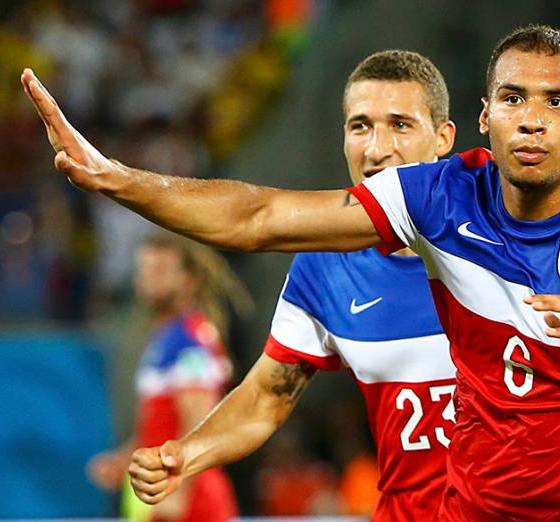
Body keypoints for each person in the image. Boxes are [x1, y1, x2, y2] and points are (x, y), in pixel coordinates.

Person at [22, 24, 560, 522]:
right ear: (487, 114)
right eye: (515, 99)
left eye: (557, 102)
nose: (532, 118)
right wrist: (120, 179)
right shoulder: (418, 212)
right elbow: (259, 222)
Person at [134, 50, 457, 520]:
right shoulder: (326, 267)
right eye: (360, 126)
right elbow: (266, 397)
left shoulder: (501, 237)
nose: (376, 148)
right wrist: (186, 455)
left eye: (401, 126)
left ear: (442, 138)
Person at [86, 233, 252, 522]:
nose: (148, 279)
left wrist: (179, 494)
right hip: (164, 495)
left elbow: (198, 418)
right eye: (144, 270)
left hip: (193, 503)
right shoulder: (165, 338)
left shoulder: (189, 339)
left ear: (188, 279)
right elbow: (158, 425)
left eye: (160, 270)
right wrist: (124, 459)